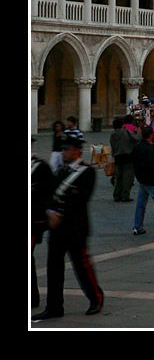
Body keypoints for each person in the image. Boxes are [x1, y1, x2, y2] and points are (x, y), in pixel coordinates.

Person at [32, 132, 104, 321]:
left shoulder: (87, 172)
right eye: (62, 149)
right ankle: (54, 307)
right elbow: (49, 194)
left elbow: (81, 200)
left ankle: (96, 298)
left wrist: (60, 214)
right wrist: (49, 212)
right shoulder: (61, 171)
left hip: (75, 228)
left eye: (66, 149)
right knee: (53, 269)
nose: (63, 152)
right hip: (57, 229)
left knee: (82, 267)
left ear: (76, 150)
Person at [31, 155, 55, 309]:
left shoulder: (40, 167)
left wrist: (42, 217)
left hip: (34, 220)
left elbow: (50, 194)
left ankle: (33, 297)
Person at [109, 117, 137, 202]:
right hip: (128, 156)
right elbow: (135, 139)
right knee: (127, 178)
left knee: (118, 177)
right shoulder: (126, 132)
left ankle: (116, 195)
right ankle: (125, 196)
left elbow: (112, 146)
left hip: (118, 157)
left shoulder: (113, 134)